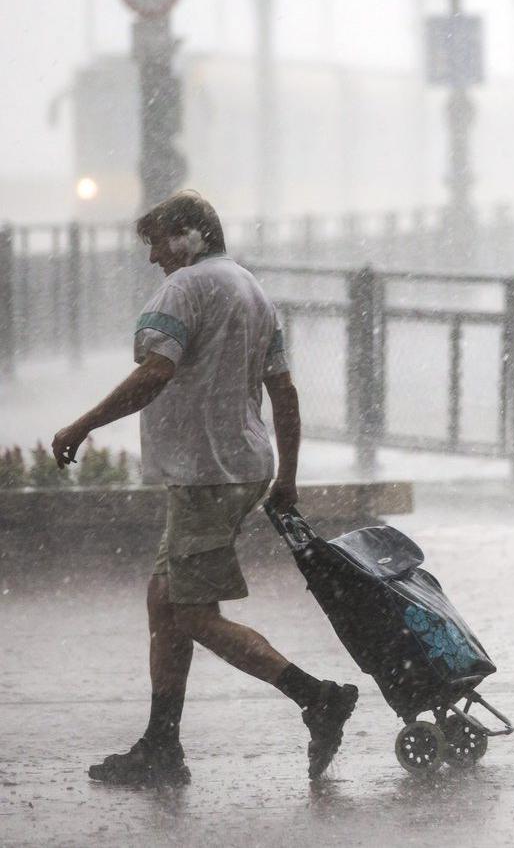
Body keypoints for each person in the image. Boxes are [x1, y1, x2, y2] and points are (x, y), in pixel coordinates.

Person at [52, 191, 359, 786]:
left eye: (157, 243)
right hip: (242, 466)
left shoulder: (184, 290)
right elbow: (285, 395)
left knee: (191, 612)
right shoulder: (252, 290)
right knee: (164, 602)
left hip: (204, 473)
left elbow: (155, 373)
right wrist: (287, 478)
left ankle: (315, 697)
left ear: (190, 236)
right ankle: (161, 746)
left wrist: (83, 424)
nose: (152, 259)